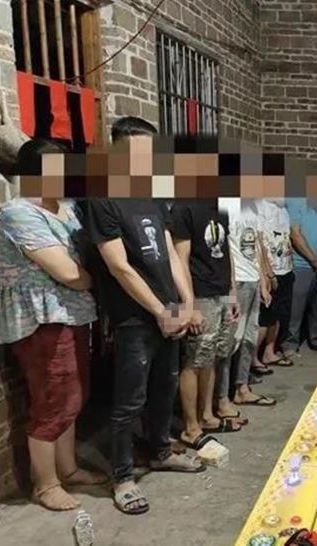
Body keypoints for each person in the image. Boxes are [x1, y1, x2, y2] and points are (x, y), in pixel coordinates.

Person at [86, 119, 204, 516]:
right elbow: (119, 266)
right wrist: (158, 311)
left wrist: (186, 301)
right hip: (135, 318)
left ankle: (160, 451)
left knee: (164, 388)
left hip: (169, 310)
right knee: (129, 400)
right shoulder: (102, 197)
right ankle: (122, 477)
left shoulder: (150, 194)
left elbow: (169, 253)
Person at [0, 139, 106, 511]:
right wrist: (97, 279)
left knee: (74, 396)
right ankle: (44, 484)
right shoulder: (19, 213)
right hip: (43, 319)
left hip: (75, 314)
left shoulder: (67, 208)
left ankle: (68, 468)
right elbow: (68, 273)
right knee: (52, 399)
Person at [171, 196, 246, 451]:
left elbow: (227, 253)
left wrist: (232, 291)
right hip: (200, 293)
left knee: (211, 357)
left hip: (221, 290)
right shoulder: (184, 207)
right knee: (194, 359)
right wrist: (189, 304)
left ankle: (207, 415)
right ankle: (191, 427)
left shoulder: (221, 206)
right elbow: (180, 259)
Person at [222, 195, 277, 405]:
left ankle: (242, 387)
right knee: (231, 341)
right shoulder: (225, 206)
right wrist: (231, 288)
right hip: (237, 280)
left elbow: (257, 247)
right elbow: (225, 248)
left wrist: (262, 281)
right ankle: (222, 396)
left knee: (249, 338)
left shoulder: (253, 207)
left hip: (252, 278)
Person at [284, 173, 317, 354]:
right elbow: (295, 233)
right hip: (302, 264)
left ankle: (315, 339)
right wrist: (313, 259)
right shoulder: (296, 202)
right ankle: (290, 343)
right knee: (296, 307)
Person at [257, 193, 295, 366]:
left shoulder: (283, 209)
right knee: (265, 317)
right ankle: (253, 358)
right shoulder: (261, 207)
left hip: (286, 268)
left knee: (278, 315)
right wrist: (268, 272)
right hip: (271, 271)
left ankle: (269, 352)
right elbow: (260, 242)